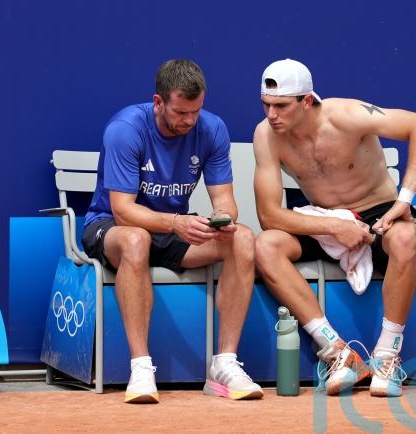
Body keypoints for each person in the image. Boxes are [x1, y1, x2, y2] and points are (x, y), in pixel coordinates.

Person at [253, 59, 416, 397]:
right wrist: (334, 227)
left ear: (306, 101)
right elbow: (269, 216)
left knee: (404, 237)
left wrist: (405, 199)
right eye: (266, 105)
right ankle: (337, 352)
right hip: (325, 219)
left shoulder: (347, 115)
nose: (271, 115)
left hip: (378, 212)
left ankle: (386, 356)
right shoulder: (266, 135)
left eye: (281, 106)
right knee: (266, 245)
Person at [82, 59, 262, 403]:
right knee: (136, 239)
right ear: (158, 102)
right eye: (181, 112)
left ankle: (224, 364)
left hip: (170, 228)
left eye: (196, 111)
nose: (189, 121)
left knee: (241, 238)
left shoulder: (212, 129)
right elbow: (122, 210)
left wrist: (221, 219)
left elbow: (224, 199)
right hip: (112, 227)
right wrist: (178, 223)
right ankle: (140, 368)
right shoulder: (125, 129)